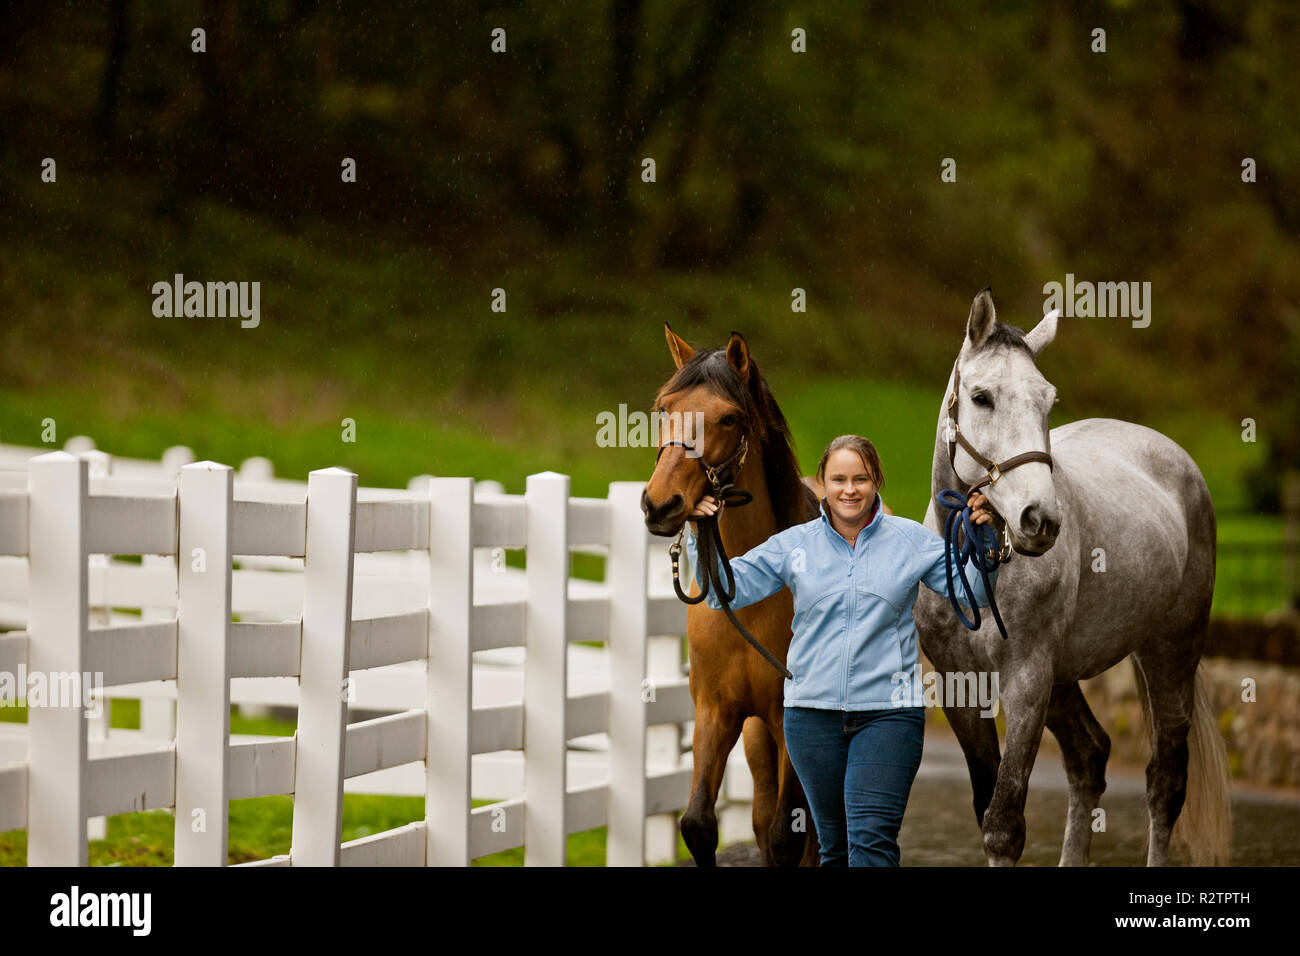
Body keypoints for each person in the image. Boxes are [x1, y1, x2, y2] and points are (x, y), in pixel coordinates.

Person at [684, 434, 1000, 866]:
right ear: (823, 485)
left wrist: (984, 544)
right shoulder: (795, 545)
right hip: (811, 718)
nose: (849, 489)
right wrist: (698, 530)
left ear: (876, 482)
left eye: (860, 479)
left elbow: (975, 593)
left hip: (889, 715)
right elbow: (722, 593)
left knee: (870, 845)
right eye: (838, 479)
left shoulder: (910, 540)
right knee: (832, 848)